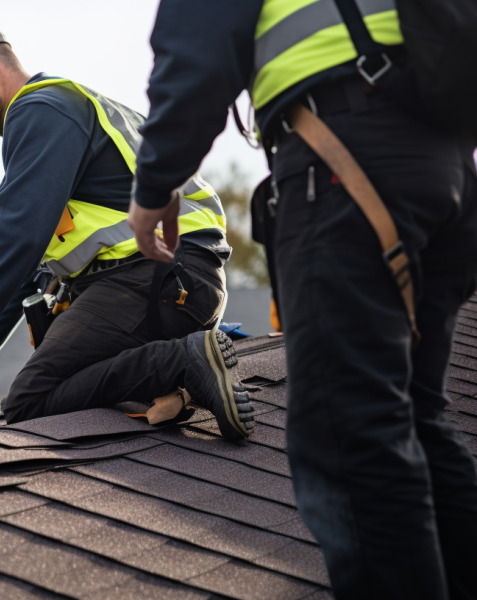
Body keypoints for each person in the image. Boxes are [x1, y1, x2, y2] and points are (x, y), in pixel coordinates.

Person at [126, 1, 477, 597]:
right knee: (414, 415)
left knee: (350, 432)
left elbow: (197, 50)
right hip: (444, 173)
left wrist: (155, 182)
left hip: (347, 161)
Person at [0, 21, 256, 441]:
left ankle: (182, 363)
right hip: (174, 280)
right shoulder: (65, 115)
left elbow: (13, 239)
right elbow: (19, 282)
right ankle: (179, 371)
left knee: (30, 402)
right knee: (61, 383)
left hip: (156, 277)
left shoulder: (41, 110)